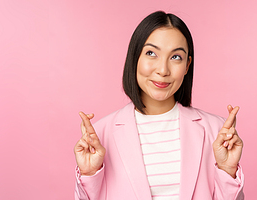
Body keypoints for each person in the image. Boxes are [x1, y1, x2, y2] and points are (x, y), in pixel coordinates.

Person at [74, 11, 245, 200]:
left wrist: (227, 171)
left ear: (187, 65)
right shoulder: (100, 135)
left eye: (176, 57)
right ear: (135, 57)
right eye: (151, 53)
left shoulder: (216, 131)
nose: (163, 70)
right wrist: (89, 175)